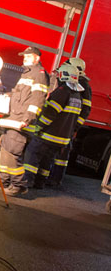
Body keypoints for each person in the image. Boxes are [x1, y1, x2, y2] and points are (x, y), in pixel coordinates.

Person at [0, 47, 49, 194]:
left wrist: (27, 118)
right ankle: (3, 180)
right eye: (24, 56)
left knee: (13, 152)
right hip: (13, 118)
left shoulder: (39, 75)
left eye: (28, 56)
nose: (24, 58)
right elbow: (19, 94)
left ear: (37, 58)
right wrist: (5, 94)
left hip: (21, 121)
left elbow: (38, 99)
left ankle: (19, 185)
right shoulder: (27, 73)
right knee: (5, 148)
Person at [20, 63, 83, 196]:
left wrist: (38, 127)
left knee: (32, 154)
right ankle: (40, 182)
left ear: (64, 76)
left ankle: (26, 181)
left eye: (60, 74)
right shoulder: (77, 95)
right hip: (62, 139)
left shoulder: (62, 92)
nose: (58, 77)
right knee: (47, 160)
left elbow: (50, 114)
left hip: (48, 135)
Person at [44, 57, 91, 188]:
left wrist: (74, 127)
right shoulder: (75, 82)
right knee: (57, 151)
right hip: (66, 123)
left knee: (62, 154)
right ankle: (50, 176)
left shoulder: (83, 86)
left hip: (69, 125)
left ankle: (56, 179)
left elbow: (85, 110)